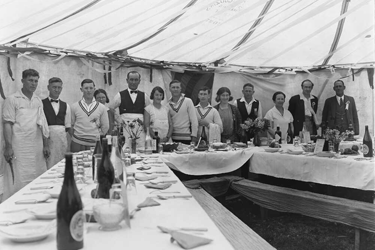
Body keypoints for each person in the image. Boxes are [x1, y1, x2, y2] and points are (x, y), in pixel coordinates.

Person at [2, 69, 50, 199]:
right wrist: (8, 147)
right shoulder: (12, 99)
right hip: (19, 147)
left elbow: (43, 124)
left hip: (36, 146)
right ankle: (15, 204)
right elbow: (7, 124)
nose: (33, 84)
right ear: (22, 81)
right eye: (30, 80)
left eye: (35, 81)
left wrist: (45, 145)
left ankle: (36, 201)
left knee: (37, 175)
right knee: (19, 177)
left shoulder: (38, 100)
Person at [110, 71, 150, 149]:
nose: (133, 82)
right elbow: (110, 108)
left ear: (139, 81)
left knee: (140, 148)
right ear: (127, 80)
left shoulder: (144, 96)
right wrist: (117, 120)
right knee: (125, 147)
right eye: (131, 79)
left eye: (136, 80)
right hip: (125, 128)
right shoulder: (120, 95)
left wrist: (146, 124)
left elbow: (149, 111)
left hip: (140, 129)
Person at [70, 79, 109, 152]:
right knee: (76, 163)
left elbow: (105, 126)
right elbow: (71, 125)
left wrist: (96, 136)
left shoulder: (101, 107)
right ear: (81, 89)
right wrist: (78, 136)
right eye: (86, 88)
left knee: (95, 162)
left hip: (95, 144)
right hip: (77, 143)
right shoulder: (74, 106)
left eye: (91, 88)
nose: (89, 90)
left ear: (94, 89)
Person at [42, 77, 71, 169]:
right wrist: (45, 144)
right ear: (48, 87)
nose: (57, 90)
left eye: (59, 87)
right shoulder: (41, 103)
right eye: (54, 87)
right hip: (47, 138)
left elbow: (68, 127)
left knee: (61, 164)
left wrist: (69, 146)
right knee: (48, 164)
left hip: (61, 139)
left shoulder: (66, 105)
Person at [168, 80, 198, 144]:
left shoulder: (188, 101)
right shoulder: (167, 105)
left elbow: (194, 120)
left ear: (180, 89)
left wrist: (194, 137)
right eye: (173, 87)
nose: (175, 89)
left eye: (177, 87)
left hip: (186, 138)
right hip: (172, 139)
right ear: (169, 89)